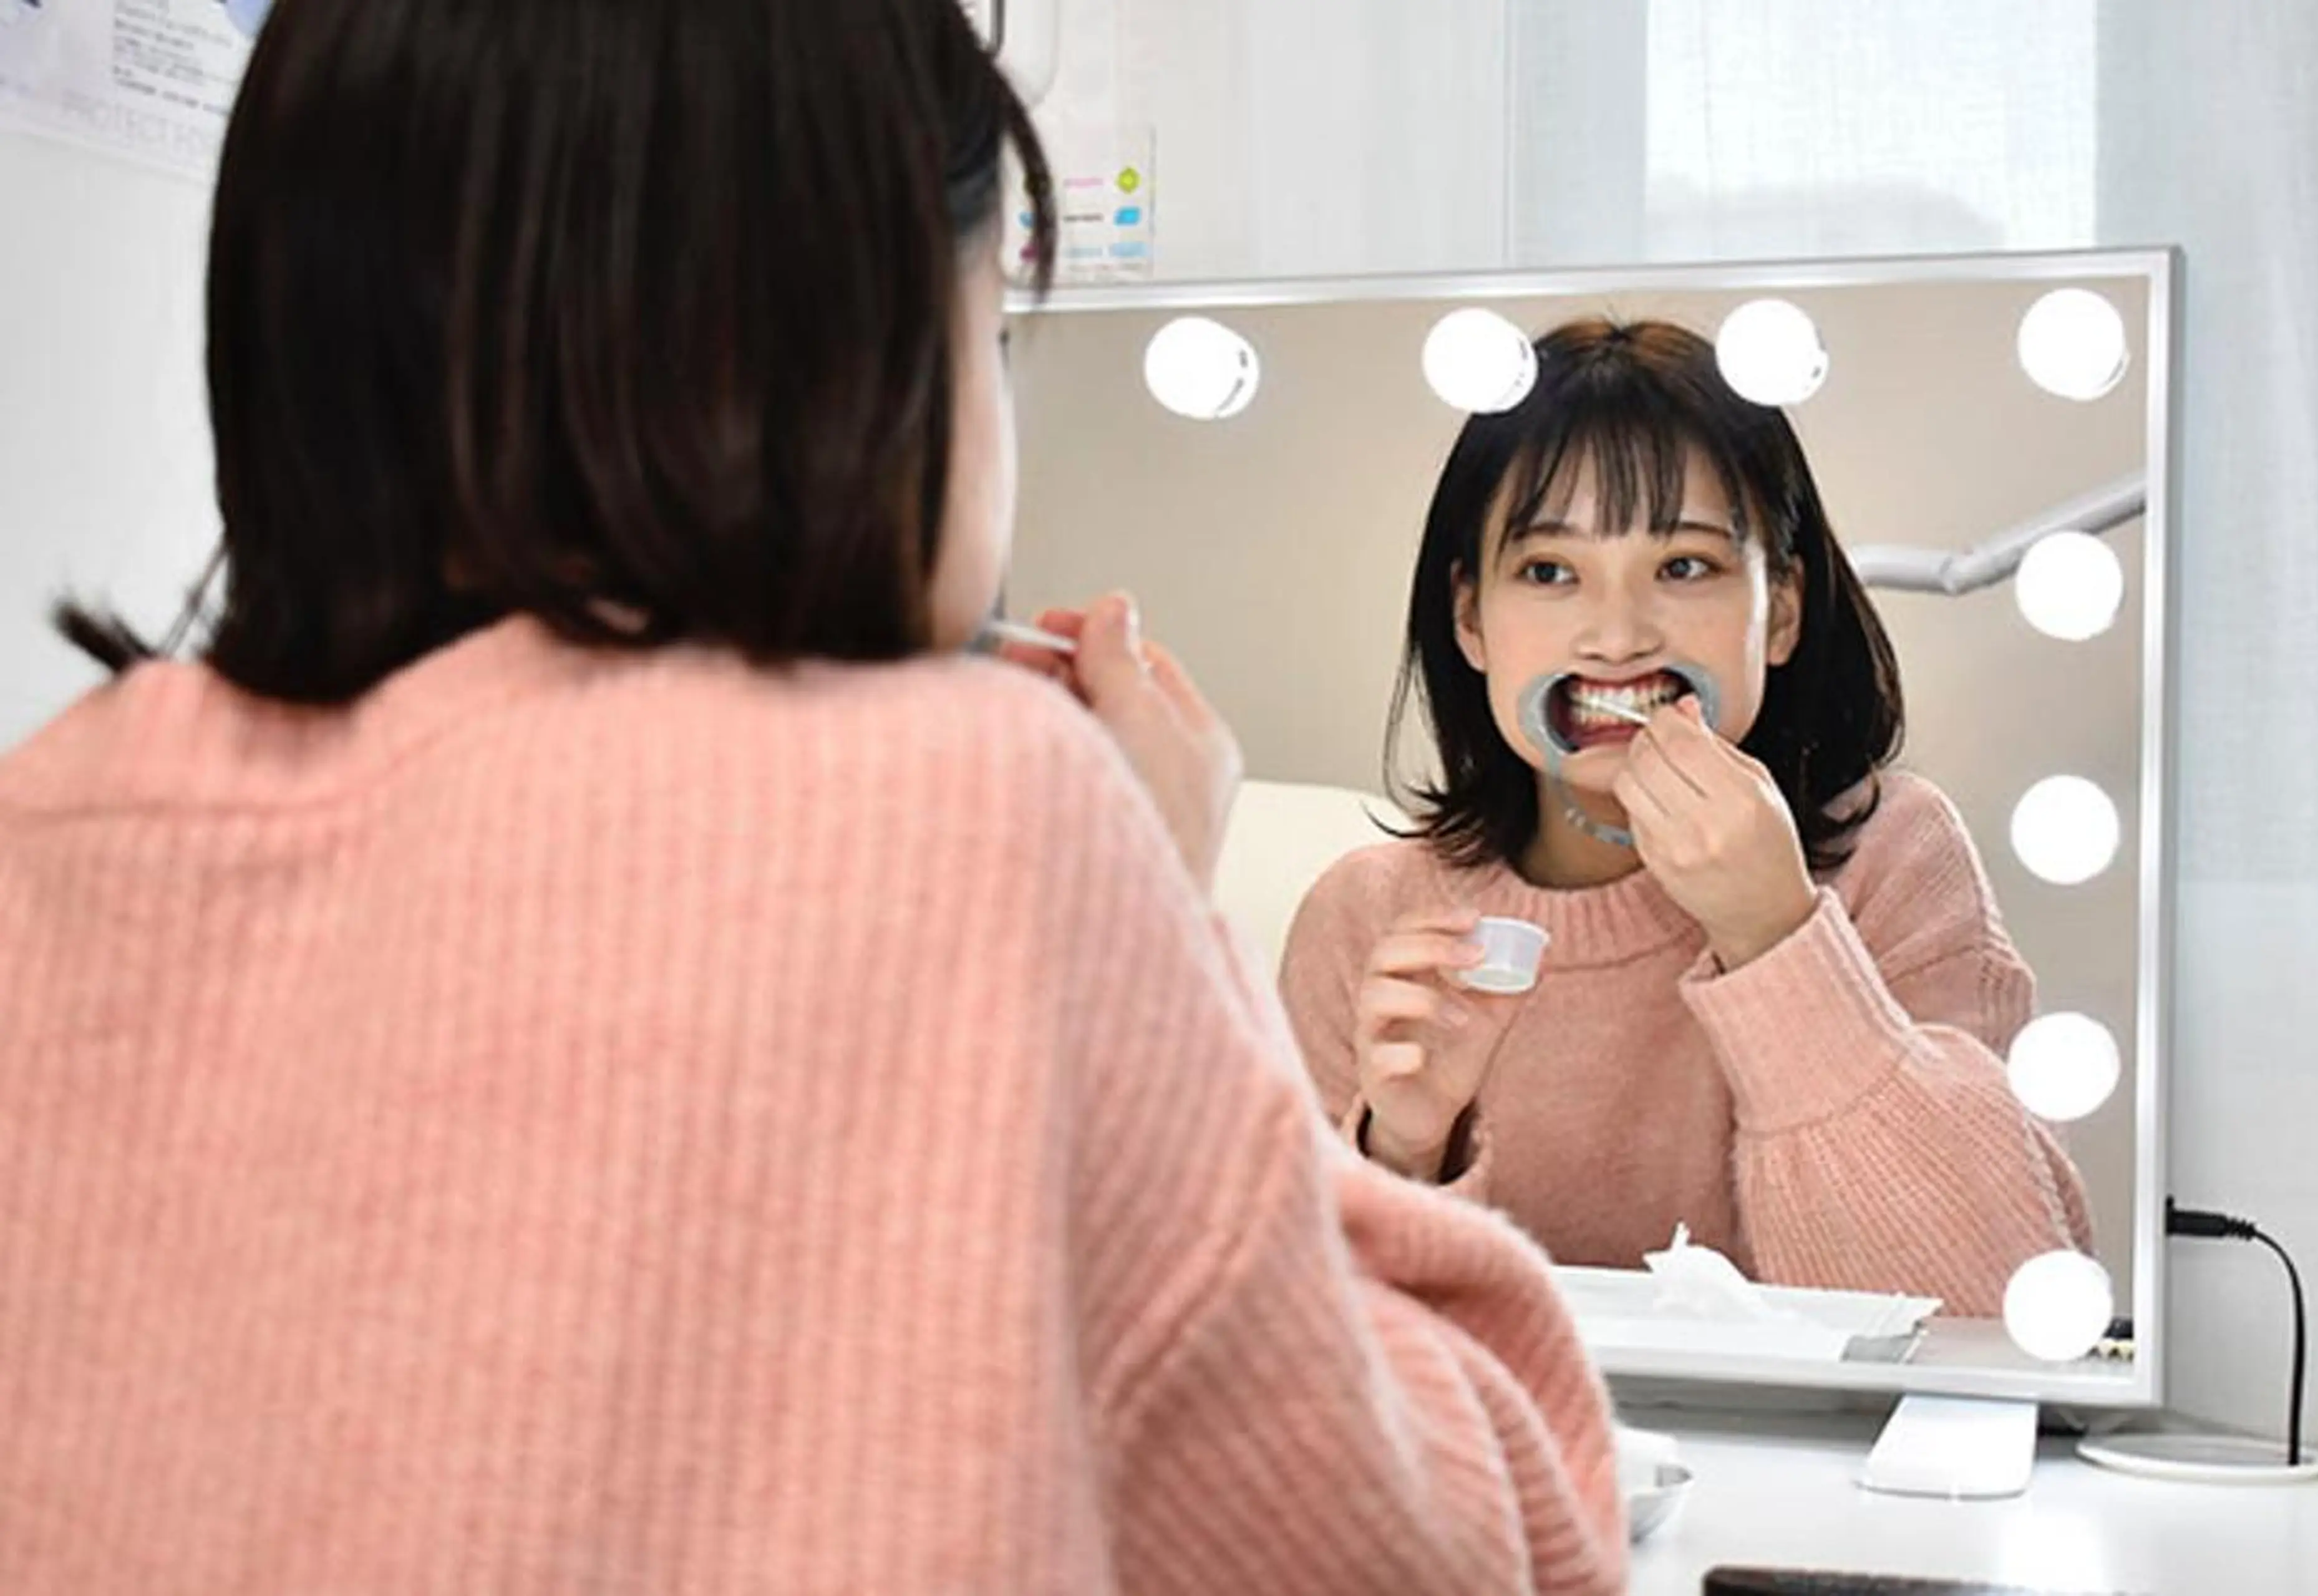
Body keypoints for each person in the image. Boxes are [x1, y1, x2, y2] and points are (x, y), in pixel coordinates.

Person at [0, 4, 1626, 1590]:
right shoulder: (974, 812)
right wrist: (1163, 898)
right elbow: (1484, 1546)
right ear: (853, 363)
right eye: (991, 336)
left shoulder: (48, 819)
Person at [1280, 318, 2093, 1318]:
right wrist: (1400, 1154)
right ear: (1469, 619)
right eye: (1548, 571)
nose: (1617, 634)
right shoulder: (1369, 917)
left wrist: (1776, 939)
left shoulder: (1894, 858)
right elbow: (1287, 1373)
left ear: (1782, 610)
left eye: (1685, 567)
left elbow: (1996, 1324)